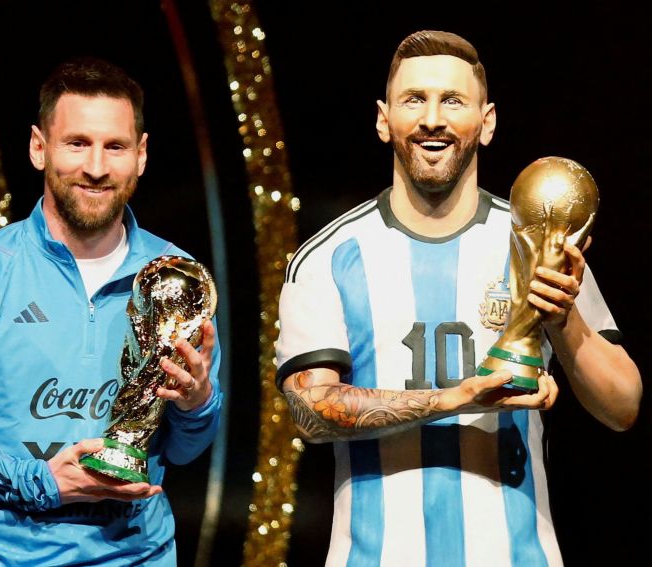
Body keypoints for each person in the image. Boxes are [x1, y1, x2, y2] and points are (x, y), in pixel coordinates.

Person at [275, 30, 642, 566]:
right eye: (413, 99)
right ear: (383, 120)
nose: (432, 118)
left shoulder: (538, 239)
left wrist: (565, 323)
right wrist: (455, 399)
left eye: (452, 100)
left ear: (486, 122)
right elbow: (309, 413)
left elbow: (623, 407)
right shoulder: (329, 256)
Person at [0, 57, 222, 566]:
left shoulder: (176, 278)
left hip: (138, 556)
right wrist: (39, 482)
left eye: (115, 146)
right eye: (77, 143)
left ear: (142, 155)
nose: (96, 167)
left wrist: (197, 404)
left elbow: (182, 452)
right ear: (39, 148)